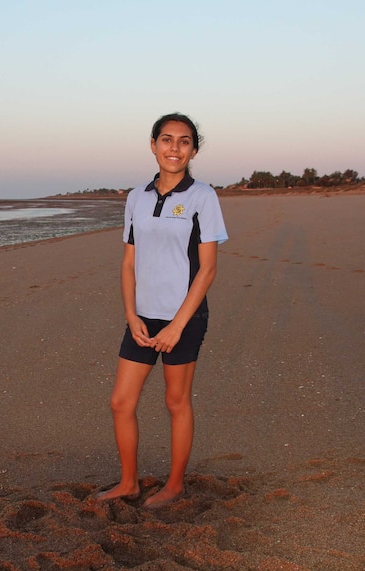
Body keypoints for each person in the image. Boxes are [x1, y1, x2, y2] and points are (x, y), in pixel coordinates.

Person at [97, 113, 228, 509]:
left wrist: (177, 326)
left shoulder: (202, 196)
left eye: (184, 141)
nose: (175, 148)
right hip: (142, 316)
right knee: (121, 401)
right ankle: (128, 483)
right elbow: (127, 262)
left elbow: (207, 269)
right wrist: (131, 315)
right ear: (153, 145)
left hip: (183, 319)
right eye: (167, 140)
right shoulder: (136, 197)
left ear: (194, 149)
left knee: (176, 402)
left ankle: (173, 485)